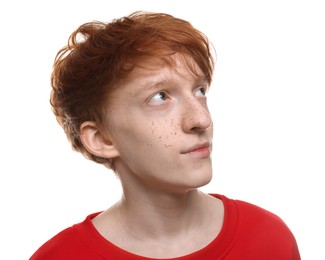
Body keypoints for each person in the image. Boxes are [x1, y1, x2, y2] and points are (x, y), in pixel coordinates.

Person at [30, 11, 300, 260]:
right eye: (160, 97)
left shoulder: (269, 239)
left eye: (200, 90)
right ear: (102, 139)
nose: (201, 119)